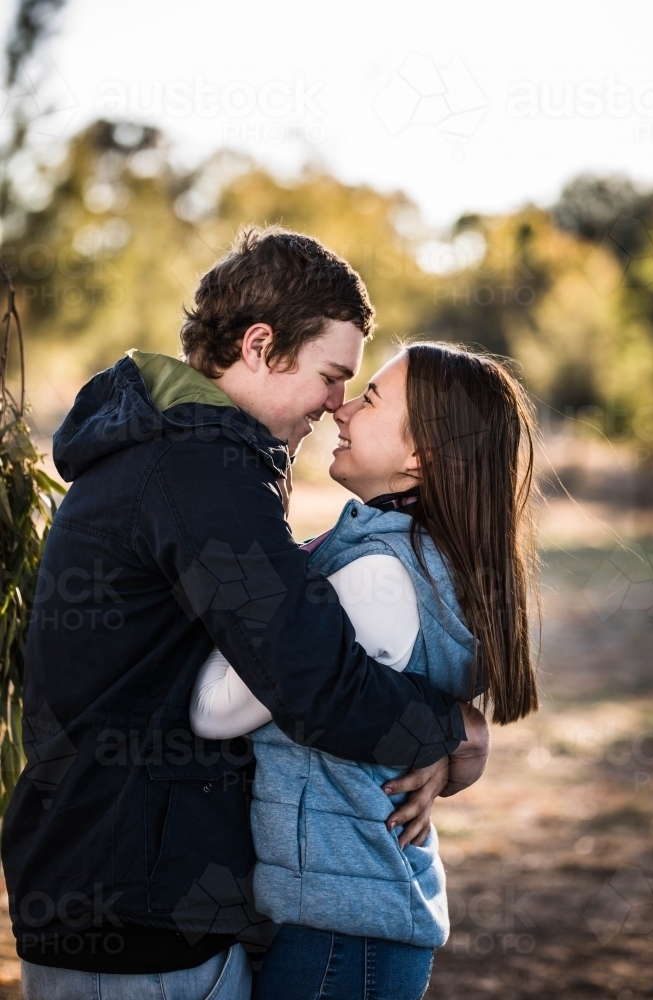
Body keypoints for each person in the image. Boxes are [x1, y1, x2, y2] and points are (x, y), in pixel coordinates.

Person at [3, 228, 489, 1000]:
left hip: (119, 885)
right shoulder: (200, 469)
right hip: (138, 911)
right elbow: (309, 678)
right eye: (332, 376)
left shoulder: (176, 451)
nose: (336, 405)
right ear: (261, 346)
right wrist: (449, 729)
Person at [190, 342, 539, 1000]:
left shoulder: (378, 576)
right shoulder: (411, 559)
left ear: (420, 456)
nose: (341, 410)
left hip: (340, 937)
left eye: (370, 397)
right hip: (347, 924)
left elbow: (215, 709)